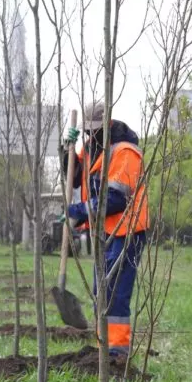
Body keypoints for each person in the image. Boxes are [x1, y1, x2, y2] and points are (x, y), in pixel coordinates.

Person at [61, 102, 149, 357]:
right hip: (105, 231)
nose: (90, 134)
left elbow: (115, 200)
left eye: (94, 130)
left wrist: (76, 211)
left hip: (127, 232)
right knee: (102, 292)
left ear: (107, 124)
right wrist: (65, 149)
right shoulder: (92, 149)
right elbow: (74, 176)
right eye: (87, 131)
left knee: (116, 294)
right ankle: (104, 350)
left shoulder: (125, 152)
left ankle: (117, 355)